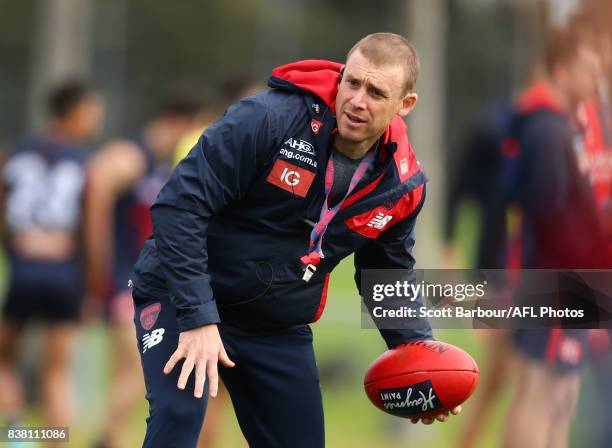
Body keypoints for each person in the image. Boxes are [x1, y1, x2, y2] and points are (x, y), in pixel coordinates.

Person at [130, 33, 460, 448]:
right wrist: (198, 316)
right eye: (352, 82)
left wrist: (421, 357)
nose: (357, 100)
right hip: (183, 296)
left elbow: (386, 275)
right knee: (178, 420)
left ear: (405, 105)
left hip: (274, 324)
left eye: (376, 92)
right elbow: (179, 207)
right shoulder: (267, 120)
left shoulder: (401, 185)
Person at [499, 27, 606, 448]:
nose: (595, 82)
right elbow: (549, 214)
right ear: (562, 70)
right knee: (541, 391)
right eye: (588, 71)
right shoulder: (547, 130)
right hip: (554, 284)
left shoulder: (561, 126)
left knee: (560, 395)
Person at [85, 94, 205, 448]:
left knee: (126, 372)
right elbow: (95, 195)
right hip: (122, 281)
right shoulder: (130, 155)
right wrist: (98, 274)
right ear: (177, 121)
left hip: (143, 279)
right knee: (142, 371)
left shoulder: (163, 164)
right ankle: (104, 437)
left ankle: (111, 438)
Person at [0, 81, 104, 439]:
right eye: (92, 110)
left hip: (25, 266)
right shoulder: (83, 160)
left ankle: (16, 433)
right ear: (73, 111)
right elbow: (92, 230)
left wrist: (16, 247)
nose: (96, 118)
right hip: (63, 271)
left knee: (3, 359)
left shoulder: (17, 152)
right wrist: (94, 284)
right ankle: (55, 444)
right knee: (57, 371)